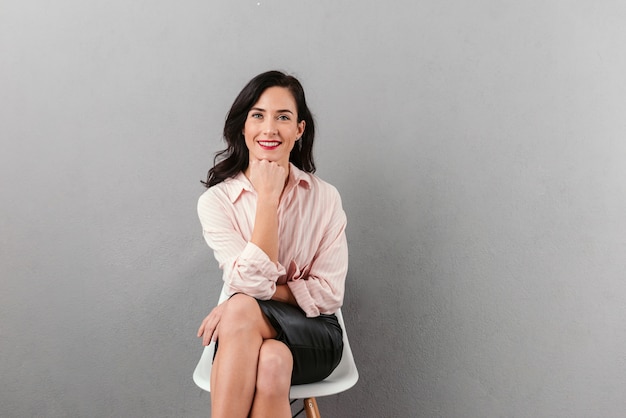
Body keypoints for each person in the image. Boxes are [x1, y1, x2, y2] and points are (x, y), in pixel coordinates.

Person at [196, 70, 348, 418]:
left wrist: (252, 295)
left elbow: (328, 295)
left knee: (241, 307)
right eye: (258, 115)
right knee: (272, 360)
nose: (269, 128)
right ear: (243, 127)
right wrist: (267, 198)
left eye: (283, 117)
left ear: (299, 129)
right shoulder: (217, 202)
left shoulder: (324, 197)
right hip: (254, 337)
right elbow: (250, 284)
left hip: (317, 334)